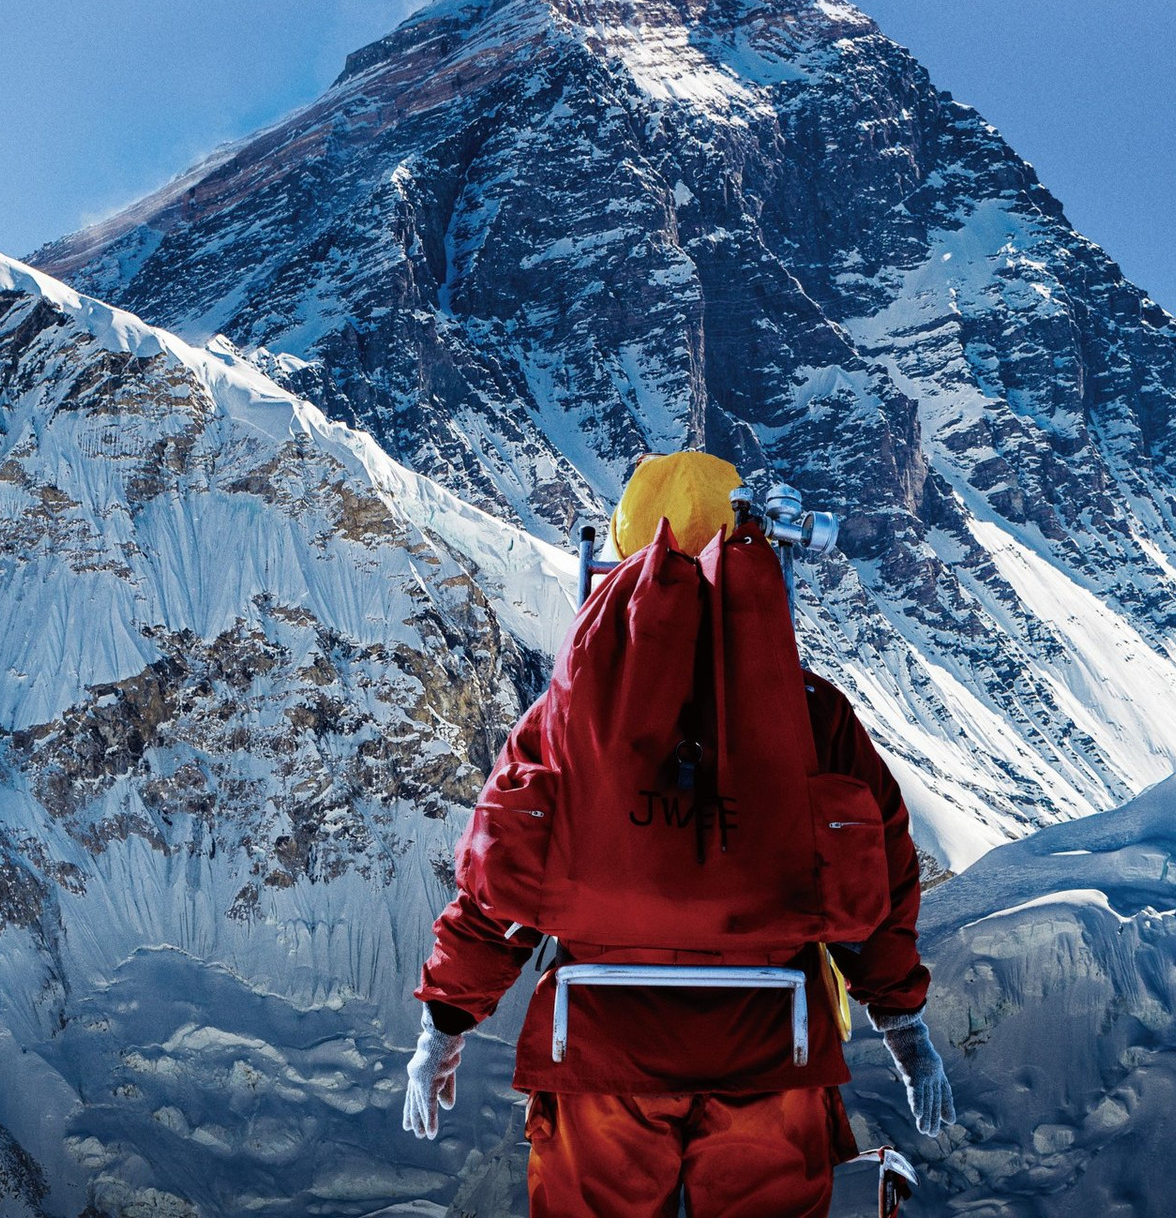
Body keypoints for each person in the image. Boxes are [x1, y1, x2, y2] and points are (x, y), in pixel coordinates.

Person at [403, 451, 954, 1217]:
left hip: (597, 1049)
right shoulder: (812, 714)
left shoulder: (565, 719)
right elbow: (880, 873)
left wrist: (446, 1021)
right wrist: (901, 1020)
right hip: (770, 1046)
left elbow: (501, 882)